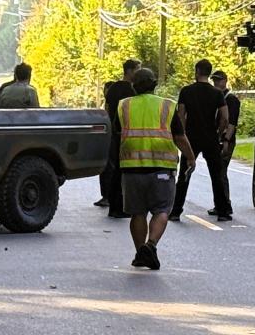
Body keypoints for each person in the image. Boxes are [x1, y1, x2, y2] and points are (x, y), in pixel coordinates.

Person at [117, 68, 194, 270]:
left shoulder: (124, 106)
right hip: (162, 167)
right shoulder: (167, 106)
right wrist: (191, 158)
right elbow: (179, 137)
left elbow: (118, 133)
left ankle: (141, 252)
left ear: (134, 86)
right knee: (162, 210)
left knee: (137, 212)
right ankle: (150, 246)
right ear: (154, 85)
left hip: (132, 168)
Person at [176, 59, 233, 222]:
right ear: (209, 73)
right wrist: (218, 133)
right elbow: (225, 117)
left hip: (191, 137)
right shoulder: (217, 93)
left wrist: (183, 134)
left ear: (197, 72)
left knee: (184, 174)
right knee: (216, 175)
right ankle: (222, 210)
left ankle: (176, 210)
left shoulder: (186, 91)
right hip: (210, 138)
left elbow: (181, 115)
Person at [98, 59, 141, 218]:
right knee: (125, 170)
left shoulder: (113, 88)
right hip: (128, 132)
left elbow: (107, 109)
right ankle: (122, 205)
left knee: (116, 168)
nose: (139, 73)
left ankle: (114, 204)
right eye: (137, 69)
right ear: (130, 71)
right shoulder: (134, 90)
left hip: (115, 131)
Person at [213, 70, 240, 161]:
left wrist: (226, 140)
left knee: (221, 171)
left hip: (225, 139)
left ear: (225, 81)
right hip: (216, 138)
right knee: (216, 171)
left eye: (218, 80)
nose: (216, 83)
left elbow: (232, 122)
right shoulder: (217, 96)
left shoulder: (230, 99)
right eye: (214, 81)